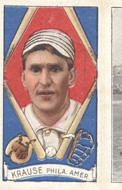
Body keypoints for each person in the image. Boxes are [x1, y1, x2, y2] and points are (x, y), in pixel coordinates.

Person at [21, 29, 80, 159]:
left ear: (71, 77)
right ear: (24, 78)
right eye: (35, 70)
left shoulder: (87, 116)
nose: (45, 81)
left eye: (55, 69)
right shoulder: (12, 120)